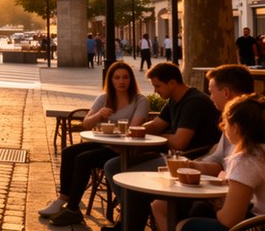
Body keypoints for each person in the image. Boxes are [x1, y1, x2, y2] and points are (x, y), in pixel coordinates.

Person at [101, 62, 221, 231]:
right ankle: (131, 215)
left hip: (186, 160)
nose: (155, 91)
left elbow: (180, 142)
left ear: (172, 83)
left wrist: (154, 136)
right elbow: (157, 124)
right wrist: (134, 130)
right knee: (112, 165)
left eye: (157, 86)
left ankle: (130, 224)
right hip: (168, 155)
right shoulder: (174, 100)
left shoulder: (193, 102)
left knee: (131, 179)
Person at [39, 61, 149, 226]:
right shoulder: (104, 98)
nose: (121, 81)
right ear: (110, 80)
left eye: (125, 77)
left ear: (131, 80)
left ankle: (73, 209)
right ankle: (62, 199)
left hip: (123, 149)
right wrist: (98, 115)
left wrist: (112, 128)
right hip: (104, 143)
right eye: (117, 78)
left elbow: (133, 128)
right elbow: (87, 123)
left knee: (83, 159)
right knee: (69, 152)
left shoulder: (140, 100)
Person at [148, 65, 256, 230]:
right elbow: (219, 160)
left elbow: (231, 217)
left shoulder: (247, 144)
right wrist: (193, 166)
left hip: (247, 213)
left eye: (211, 92)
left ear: (226, 93)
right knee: (160, 205)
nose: (210, 97)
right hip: (223, 192)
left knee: (184, 219)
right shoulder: (239, 123)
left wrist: (215, 202)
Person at [176, 93, 265, 231]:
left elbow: (230, 220)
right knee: (199, 210)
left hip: (256, 225)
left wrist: (216, 205)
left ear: (236, 127)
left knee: (184, 225)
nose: (223, 127)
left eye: (226, 122)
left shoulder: (247, 159)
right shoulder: (260, 152)